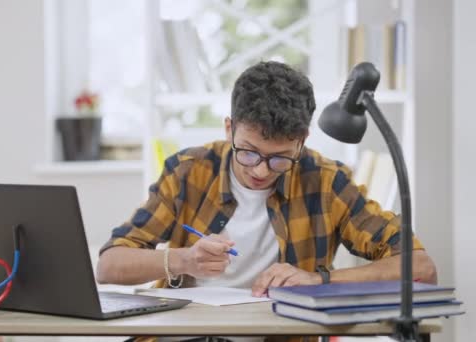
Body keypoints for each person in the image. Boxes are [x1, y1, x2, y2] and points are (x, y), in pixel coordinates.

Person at [96, 61, 437, 341]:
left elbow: (421, 268)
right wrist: (183, 260)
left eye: (279, 159)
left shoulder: (326, 180)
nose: (260, 170)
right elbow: (109, 265)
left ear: (302, 141)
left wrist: (320, 281)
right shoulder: (189, 171)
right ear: (229, 129)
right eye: (248, 152)